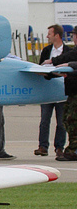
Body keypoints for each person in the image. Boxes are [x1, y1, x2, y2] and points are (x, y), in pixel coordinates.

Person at [36, 24, 68, 156]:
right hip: (47, 89)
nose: (48, 36)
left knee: (61, 121)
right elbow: (39, 67)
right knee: (44, 120)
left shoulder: (68, 51)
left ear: (57, 35)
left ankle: (59, 147)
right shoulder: (46, 50)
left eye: (50, 33)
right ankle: (43, 146)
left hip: (61, 89)